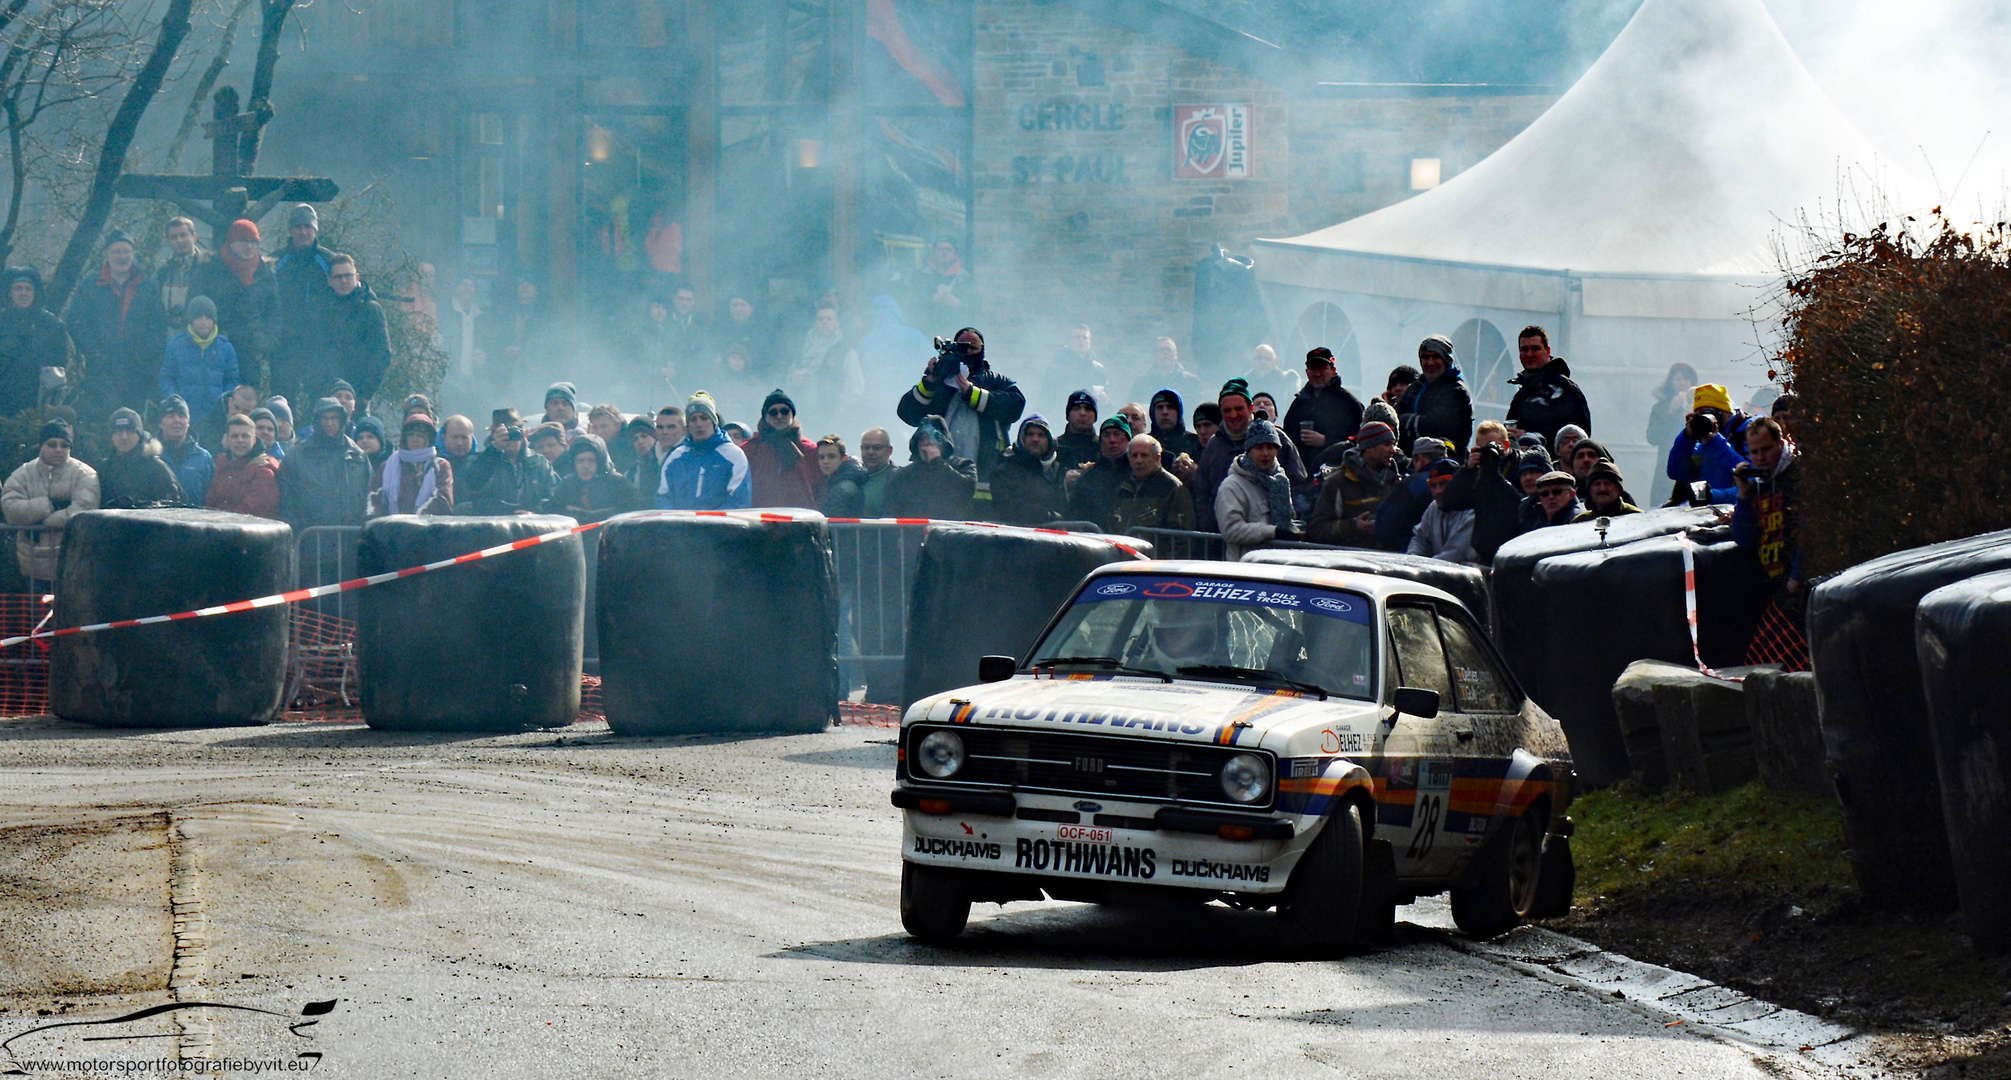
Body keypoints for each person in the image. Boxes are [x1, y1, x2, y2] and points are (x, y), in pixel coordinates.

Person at [894, 326, 1024, 501]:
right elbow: (907, 412)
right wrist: (930, 381)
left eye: (973, 347)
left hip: (984, 485)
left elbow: (1015, 406)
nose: (968, 352)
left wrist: (972, 392)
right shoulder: (940, 383)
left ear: (982, 350)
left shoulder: (994, 382)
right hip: (937, 486)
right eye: (963, 347)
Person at [1194, 379, 1308, 533]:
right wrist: (1208, 523)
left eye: (1239, 408)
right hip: (1222, 536)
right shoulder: (1213, 446)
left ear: (1250, 408)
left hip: (1276, 535)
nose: (1233, 415)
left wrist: (1290, 518)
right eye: (1227, 411)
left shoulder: (1277, 438)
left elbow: (1299, 482)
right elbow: (1201, 491)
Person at [1731, 416, 1804, 657]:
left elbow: (1806, 528)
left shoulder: (1797, 477)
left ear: (1780, 444)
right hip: (1769, 582)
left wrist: (1796, 576)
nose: (1761, 457)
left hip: (1796, 585)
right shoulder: (1757, 484)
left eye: (1766, 449)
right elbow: (1743, 538)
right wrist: (1743, 494)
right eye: (1754, 452)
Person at [69, 229, 162, 411]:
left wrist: (145, 356)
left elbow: (157, 326)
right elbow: (75, 322)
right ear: (107, 255)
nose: (122, 257)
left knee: (134, 419)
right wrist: (93, 352)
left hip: (136, 367)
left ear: (133, 254)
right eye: (116, 252)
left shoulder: (147, 285)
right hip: (101, 366)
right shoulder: (91, 284)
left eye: (126, 251)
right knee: (101, 416)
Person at [2, 418, 98, 581]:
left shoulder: (86, 475)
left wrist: (44, 522)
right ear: (41, 446)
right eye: (52, 444)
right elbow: (10, 509)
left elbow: (84, 512)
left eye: (64, 445)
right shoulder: (23, 474)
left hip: (71, 569)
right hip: (32, 570)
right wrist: (48, 506)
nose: (59, 449)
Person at [194, 219, 278, 389]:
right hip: (216, 349)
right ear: (231, 242)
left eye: (253, 242)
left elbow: (274, 313)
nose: (249, 246)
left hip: (251, 352)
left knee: (248, 402)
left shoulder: (265, 272)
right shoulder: (209, 269)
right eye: (244, 241)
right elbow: (197, 307)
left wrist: (264, 343)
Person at [303, 253, 390, 406]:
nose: (343, 281)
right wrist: (313, 386)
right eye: (338, 277)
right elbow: (310, 349)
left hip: (357, 396)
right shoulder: (320, 310)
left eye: (348, 276)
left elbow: (382, 355)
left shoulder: (370, 309)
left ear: (357, 277)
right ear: (329, 281)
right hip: (322, 395)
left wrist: (367, 393)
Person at [1216, 419, 1302, 560]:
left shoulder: (1280, 481)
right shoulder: (1232, 486)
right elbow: (1231, 530)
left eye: (1270, 447)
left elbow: (1288, 518)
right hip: (1245, 568)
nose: (1265, 453)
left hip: (1279, 564)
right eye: (1259, 448)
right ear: (1249, 450)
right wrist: (1272, 532)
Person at [277, 398, 370, 529]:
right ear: (316, 421)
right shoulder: (296, 457)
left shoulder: (358, 457)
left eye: (334, 418)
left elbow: (367, 501)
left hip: (351, 539)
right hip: (309, 539)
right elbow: (287, 505)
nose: (329, 423)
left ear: (342, 420)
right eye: (324, 418)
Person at [1442, 421, 1526, 563]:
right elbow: (1450, 501)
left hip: (1514, 547)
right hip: (1484, 551)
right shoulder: (1478, 471)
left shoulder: (1521, 466)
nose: (1487, 451)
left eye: (1491, 445)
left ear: (1505, 445)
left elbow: (1519, 503)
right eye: (1481, 447)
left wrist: (1493, 473)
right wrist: (1467, 470)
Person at [1307, 420, 1398, 546]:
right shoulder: (1337, 482)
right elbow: (1317, 529)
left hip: (1389, 558)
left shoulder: (1395, 481)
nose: (1393, 450)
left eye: (1393, 445)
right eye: (1387, 444)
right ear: (1369, 447)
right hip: (1350, 559)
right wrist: (1354, 526)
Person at [657, 392, 750, 510]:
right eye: (693, 419)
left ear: (713, 421)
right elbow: (662, 496)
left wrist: (709, 523)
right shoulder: (675, 457)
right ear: (688, 425)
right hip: (681, 526)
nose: (699, 424)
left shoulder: (733, 455)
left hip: (721, 527)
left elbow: (739, 500)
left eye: (704, 418)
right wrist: (677, 522)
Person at [157, 295, 240, 427]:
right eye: (198, 317)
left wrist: (224, 401)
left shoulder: (225, 347)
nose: (203, 322)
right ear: (190, 320)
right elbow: (166, 378)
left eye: (208, 318)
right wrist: (175, 400)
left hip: (216, 418)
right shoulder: (176, 345)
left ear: (214, 320)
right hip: (184, 416)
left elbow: (233, 380)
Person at [1502, 325, 1592, 447]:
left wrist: (1529, 436)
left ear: (1548, 351)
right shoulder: (1521, 396)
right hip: (1525, 463)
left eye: (1535, 348)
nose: (1529, 354)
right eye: (1524, 349)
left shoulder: (1566, 389)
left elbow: (1580, 433)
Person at [0, 266, 72, 416]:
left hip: (38, 401)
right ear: (9, 292)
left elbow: (59, 366)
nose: (23, 293)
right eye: (18, 288)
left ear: (35, 292)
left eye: (28, 289)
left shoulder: (52, 325)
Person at [458, 409, 557, 516]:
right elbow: (471, 484)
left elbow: (555, 496)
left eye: (514, 431)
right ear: (493, 435)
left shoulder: (539, 463)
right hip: (492, 526)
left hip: (531, 527)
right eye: (505, 433)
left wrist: (535, 513)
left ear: (522, 433)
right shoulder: (481, 461)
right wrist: (494, 450)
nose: (510, 438)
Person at [1282, 346, 1365, 466]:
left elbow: (1360, 441)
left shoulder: (1349, 403)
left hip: (1338, 473)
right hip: (1303, 476)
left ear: (1333, 371)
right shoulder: (1299, 403)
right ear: (1307, 372)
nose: (1317, 373)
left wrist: (1325, 441)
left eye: (1322, 368)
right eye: (1313, 369)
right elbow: (1287, 439)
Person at [883, 416, 975, 520]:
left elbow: (965, 492)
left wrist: (937, 462)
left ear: (944, 442)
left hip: (950, 534)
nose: (926, 443)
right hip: (914, 535)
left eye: (934, 438)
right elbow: (890, 514)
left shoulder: (963, 466)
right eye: (922, 438)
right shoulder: (902, 475)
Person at [740, 389, 820, 508]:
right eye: (773, 412)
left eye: (784, 411)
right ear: (765, 417)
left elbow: (820, 486)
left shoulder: (810, 450)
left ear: (792, 415)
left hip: (800, 518)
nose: (779, 416)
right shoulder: (750, 450)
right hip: (759, 517)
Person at [1398, 335, 1474, 455]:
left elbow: (1435, 426)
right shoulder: (1417, 386)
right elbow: (1397, 413)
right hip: (1413, 460)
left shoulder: (1457, 391)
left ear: (1446, 359)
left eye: (1436, 357)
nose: (1430, 362)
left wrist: (1405, 421)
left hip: (1447, 461)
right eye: (1426, 357)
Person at [1107, 433, 1195, 535]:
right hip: (1122, 548)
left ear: (1157, 458)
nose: (1139, 461)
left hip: (1155, 550)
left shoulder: (1173, 488)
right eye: (1134, 455)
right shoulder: (1123, 487)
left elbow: (1183, 535)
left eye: (1144, 455)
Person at [988, 415, 1067, 525]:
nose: (1035, 439)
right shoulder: (1004, 470)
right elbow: (1009, 507)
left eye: (1041, 435)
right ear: (1022, 439)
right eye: (1030, 434)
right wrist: (1049, 516)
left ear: (1049, 440)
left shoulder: (1058, 472)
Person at [98, 407, 183, 510]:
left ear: (139, 435)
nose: (124, 437)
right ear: (111, 436)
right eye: (118, 431)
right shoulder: (105, 469)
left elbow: (174, 509)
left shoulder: (157, 469)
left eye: (130, 431)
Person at [1663, 401, 1744, 505]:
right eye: (1699, 416)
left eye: (1709, 413)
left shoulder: (1746, 435)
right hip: (1705, 510)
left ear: (1726, 412)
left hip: (1731, 511)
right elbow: (1676, 473)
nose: (1704, 421)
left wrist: (1716, 442)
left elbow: (1750, 482)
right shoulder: (1700, 447)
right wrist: (1687, 437)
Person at [371, 413, 454, 516]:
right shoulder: (387, 466)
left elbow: (443, 499)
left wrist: (416, 520)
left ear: (428, 440)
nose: (415, 439)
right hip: (391, 528)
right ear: (404, 438)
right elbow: (374, 498)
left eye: (420, 436)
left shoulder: (440, 466)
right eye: (411, 435)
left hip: (428, 528)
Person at [544, 433, 637, 523]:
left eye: (591, 460)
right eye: (580, 460)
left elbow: (633, 514)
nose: (586, 466)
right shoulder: (568, 484)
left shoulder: (618, 484)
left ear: (600, 462)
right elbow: (551, 512)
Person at [1373, 438, 1443, 552]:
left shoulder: (1412, 484)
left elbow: (1384, 525)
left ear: (1420, 459)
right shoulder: (1462, 478)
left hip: (1413, 553)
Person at [1644, 363, 1699, 505]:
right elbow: (1652, 437)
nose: (1682, 383)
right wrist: (1670, 413)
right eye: (1678, 379)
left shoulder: (1701, 406)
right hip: (1667, 466)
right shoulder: (1661, 407)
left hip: (1695, 465)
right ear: (1671, 383)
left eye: (1686, 379)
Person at [205, 414, 279, 519]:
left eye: (245, 436)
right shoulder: (221, 463)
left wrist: (218, 521)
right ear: (227, 440)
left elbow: (251, 512)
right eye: (235, 436)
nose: (240, 440)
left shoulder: (264, 471)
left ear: (254, 439)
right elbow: (210, 501)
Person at [1065, 415, 1134, 525]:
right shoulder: (1088, 476)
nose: (1112, 440)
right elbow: (1074, 513)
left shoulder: (1138, 472)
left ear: (1128, 440)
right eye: (1106, 435)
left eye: (1117, 434)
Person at [791, 305, 863, 406]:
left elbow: (855, 387)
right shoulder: (804, 348)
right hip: (803, 410)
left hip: (831, 412)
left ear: (837, 323)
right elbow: (790, 375)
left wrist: (840, 412)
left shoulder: (846, 351)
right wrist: (792, 379)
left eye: (829, 319)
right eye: (820, 319)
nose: (825, 322)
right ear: (815, 324)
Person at [1407, 458, 1475, 564]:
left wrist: (1422, 567)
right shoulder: (1433, 508)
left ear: (1458, 483)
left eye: (1444, 483)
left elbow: (1456, 554)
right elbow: (1420, 539)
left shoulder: (1471, 509)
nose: (1438, 491)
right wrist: (1412, 560)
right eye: (1433, 486)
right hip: (1438, 570)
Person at [154, 216, 210, 335]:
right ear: (168, 241)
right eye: (173, 237)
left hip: (201, 338)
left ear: (194, 237)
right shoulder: (162, 273)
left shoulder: (209, 269)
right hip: (169, 339)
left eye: (183, 235)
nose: (179, 240)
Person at [154, 396, 213, 505]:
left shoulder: (203, 458)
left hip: (193, 520)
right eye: (171, 416)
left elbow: (211, 497)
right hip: (157, 520)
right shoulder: (150, 456)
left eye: (182, 416)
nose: (177, 420)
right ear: (160, 423)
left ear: (188, 422)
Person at [911, 235, 981, 322]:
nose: (944, 253)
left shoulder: (965, 277)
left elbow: (975, 306)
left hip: (957, 325)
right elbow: (912, 302)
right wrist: (933, 298)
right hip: (928, 325)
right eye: (940, 249)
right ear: (934, 252)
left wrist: (958, 304)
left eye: (949, 249)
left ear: (955, 253)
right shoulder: (922, 275)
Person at [1043, 324, 1107, 409]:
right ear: (1068, 342)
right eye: (1077, 337)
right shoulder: (1057, 367)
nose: (1081, 340)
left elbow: (1107, 404)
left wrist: (1105, 401)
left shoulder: (1098, 369)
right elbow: (1046, 398)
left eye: (1085, 337)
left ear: (1089, 343)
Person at [1127, 337, 1204, 407]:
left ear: (1176, 355)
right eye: (1161, 350)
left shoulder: (1191, 382)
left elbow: (1195, 408)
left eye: (1169, 350)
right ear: (1155, 355)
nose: (1165, 353)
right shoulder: (1141, 383)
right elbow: (1134, 408)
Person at [440, 277, 485, 381]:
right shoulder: (444, 311)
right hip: (449, 373)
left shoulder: (480, 316)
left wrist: (481, 352)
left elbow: (484, 341)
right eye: (464, 285)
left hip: (473, 374)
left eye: (471, 286)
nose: (467, 288)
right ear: (455, 288)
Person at [1145, 389, 1201, 469]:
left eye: (1170, 407)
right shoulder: (1144, 445)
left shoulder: (1196, 443)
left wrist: (1193, 472)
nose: (1165, 412)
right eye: (1160, 407)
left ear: (1179, 412)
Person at [817, 435, 870, 517]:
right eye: (821, 457)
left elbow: (833, 524)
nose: (825, 461)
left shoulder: (842, 490)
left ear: (844, 458)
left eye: (831, 456)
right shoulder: (843, 483)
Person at [1573, 460, 1641, 521]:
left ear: (1619, 488)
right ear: (1590, 490)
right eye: (1597, 484)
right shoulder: (1581, 522)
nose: (1602, 489)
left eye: (1607, 484)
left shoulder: (1636, 518)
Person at [855, 426, 899, 517]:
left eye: (877, 448)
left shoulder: (901, 478)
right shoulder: (853, 477)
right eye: (866, 448)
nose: (870, 452)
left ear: (890, 450)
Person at [1055, 390, 1100, 466]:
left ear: (1095, 417)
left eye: (1088, 409)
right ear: (1068, 415)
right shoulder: (1055, 447)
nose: (1082, 413)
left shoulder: (1104, 447)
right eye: (1076, 408)